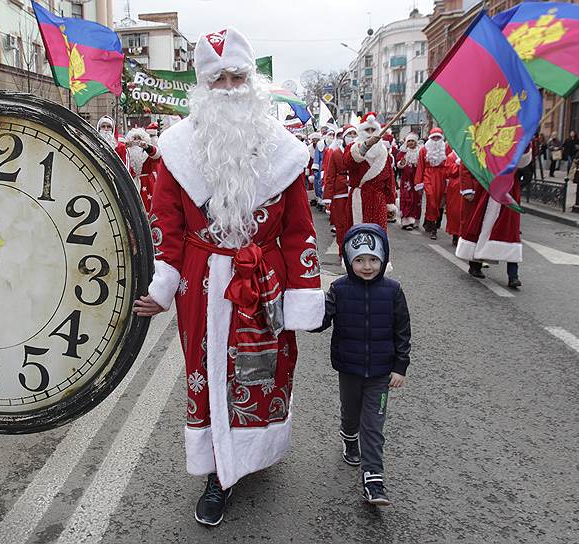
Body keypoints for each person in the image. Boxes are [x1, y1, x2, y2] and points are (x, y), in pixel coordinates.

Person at [131, 27, 323, 526]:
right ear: (203, 87)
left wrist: (305, 294)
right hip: (203, 282)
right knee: (210, 370)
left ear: (252, 81)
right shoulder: (175, 150)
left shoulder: (286, 152)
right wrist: (160, 282)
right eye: (219, 80)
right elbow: (166, 227)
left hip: (265, 280)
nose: (231, 88)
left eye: (239, 76)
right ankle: (220, 471)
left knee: (264, 369)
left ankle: (254, 450)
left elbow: (300, 230)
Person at [313, 224, 412, 506]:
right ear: (348, 260)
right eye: (359, 260)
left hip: (381, 372)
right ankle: (348, 437)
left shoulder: (393, 291)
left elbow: (402, 331)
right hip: (350, 366)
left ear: (383, 259)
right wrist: (303, 313)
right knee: (351, 412)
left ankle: (374, 478)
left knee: (374, 423)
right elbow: (323, 319)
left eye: (373, 259)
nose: (367, 266)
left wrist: (400, 366)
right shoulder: (340, 289)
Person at [456, 147, 530, 289]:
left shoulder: (516, 135)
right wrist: (467, 188)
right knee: (480, 227)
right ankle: (475, 265)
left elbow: (523, 161)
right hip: (486, 189)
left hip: (509, 190)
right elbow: (467, 161)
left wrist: (526, 143)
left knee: (510, 232)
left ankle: (513, 275)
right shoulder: (484, 135)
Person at [347, 112, 397, 231]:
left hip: (378, 201)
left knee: (377, 235)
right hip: (358, 198)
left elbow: (390, 180)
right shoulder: (353, 148)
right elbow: (348, 163)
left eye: (373, 130)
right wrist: (364, 147)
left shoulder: (384, 153)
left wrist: (390, 203)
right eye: (367, 130)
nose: (370, 133)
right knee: (356, 236)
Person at [415, 127, 450, 240]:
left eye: (438, 137)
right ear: (430, 138)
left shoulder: (446, 148)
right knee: (431, 199)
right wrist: (418, 183)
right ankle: (433, 227)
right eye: (433, 137)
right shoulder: (424, 150)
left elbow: (449, 163)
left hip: (442, 177)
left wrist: (449, 179)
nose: (435, 140)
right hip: (428, 176)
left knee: (439, 201)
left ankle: (429, 221)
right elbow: (420, 167)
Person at [324, 124, 354, 248]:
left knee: (353, 222)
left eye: (354, 135)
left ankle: (353, 248)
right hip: (339, 192)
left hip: (354, 191)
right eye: (349, 135)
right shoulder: (335, 153)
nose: (352, 138)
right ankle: (342, 249)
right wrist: (328, 197)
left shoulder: (357, 152)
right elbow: (330, 176)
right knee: (340, 223)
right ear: (343, 137)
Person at [125, 126, 161, 212]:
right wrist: (125, 145)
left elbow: (157, 155)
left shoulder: (148, 152)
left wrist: (147, 147)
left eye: (139, 138)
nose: (137, 141)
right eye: (135, 138)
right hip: (131, 182)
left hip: (147, 184)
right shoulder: (126, 152)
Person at [395, 134, 421, 230]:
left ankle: (415, 220)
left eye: (412, 141)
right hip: (406, 180)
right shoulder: (403, 153)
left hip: (417, 180)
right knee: (407, 198)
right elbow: (399, 165)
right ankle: (406, 221)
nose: (411, 143)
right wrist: (401, 163)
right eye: (409, 141)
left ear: (416, 142)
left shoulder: (420, 152)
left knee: (417, 200)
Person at [444, 149, 466, 246]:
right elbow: (449, 172)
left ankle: (464, 234)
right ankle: (455, 234)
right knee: (454, 211)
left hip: (467, 185)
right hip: (455, 187)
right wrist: (457, 164)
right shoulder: (451, 156)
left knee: (466, 211)